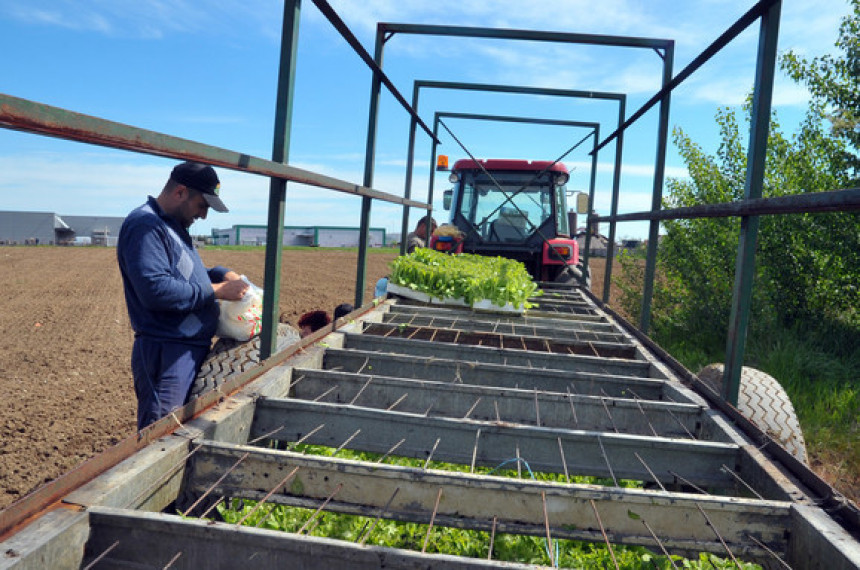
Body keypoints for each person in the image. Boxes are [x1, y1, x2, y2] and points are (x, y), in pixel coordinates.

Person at [117, 161, 249, 430]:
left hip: (185, 349)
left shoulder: (173, 227)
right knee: (161, 433)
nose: (203, 216)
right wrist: (220, 291)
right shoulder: (146, 225)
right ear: (180, 192)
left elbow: (190, 275)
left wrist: (223, 273)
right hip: (167, 352)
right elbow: (156, 290)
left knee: (179, 430)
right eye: (202, 205)